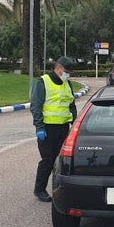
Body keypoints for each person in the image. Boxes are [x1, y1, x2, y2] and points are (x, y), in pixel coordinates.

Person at [30, 56, 77, 202]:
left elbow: (71, 105)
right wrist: (39, 127)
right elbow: (36, 106)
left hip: (63, 128)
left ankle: (60, 190)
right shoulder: (43, 82)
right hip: (47, 130)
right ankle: (39, 189)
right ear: (58, 68)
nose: (67, 74)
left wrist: (75, 125)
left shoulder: (67, 84)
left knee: (61, 161)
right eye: (66, 71)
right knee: (48, 160)